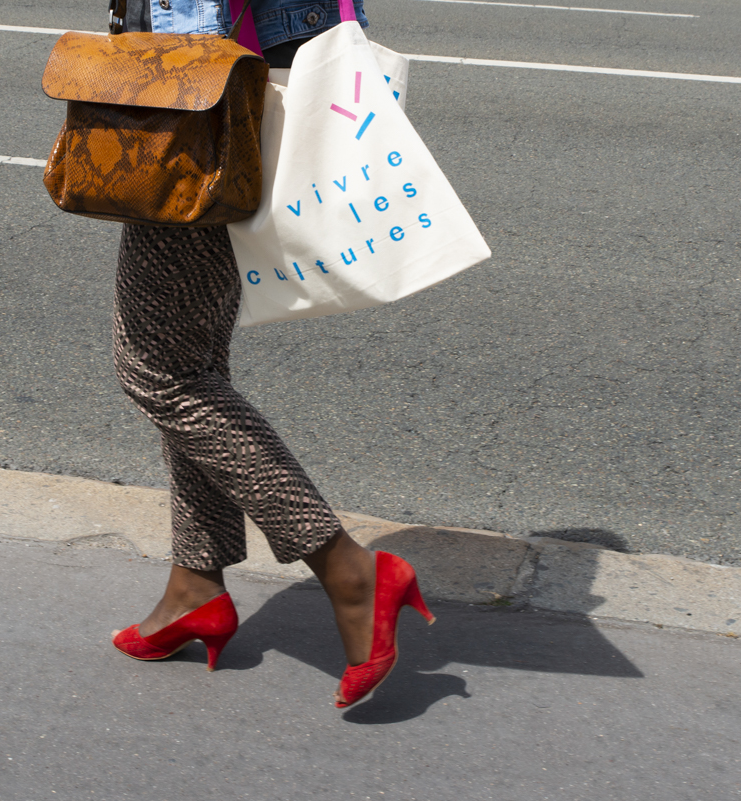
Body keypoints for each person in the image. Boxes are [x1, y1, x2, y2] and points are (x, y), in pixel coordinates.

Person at [106, 0, 435, 708]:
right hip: (247, 65)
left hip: (204, 80)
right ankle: (195, 584)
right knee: (188, 359)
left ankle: (349, 570)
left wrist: (176, 62)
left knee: (156, 368)